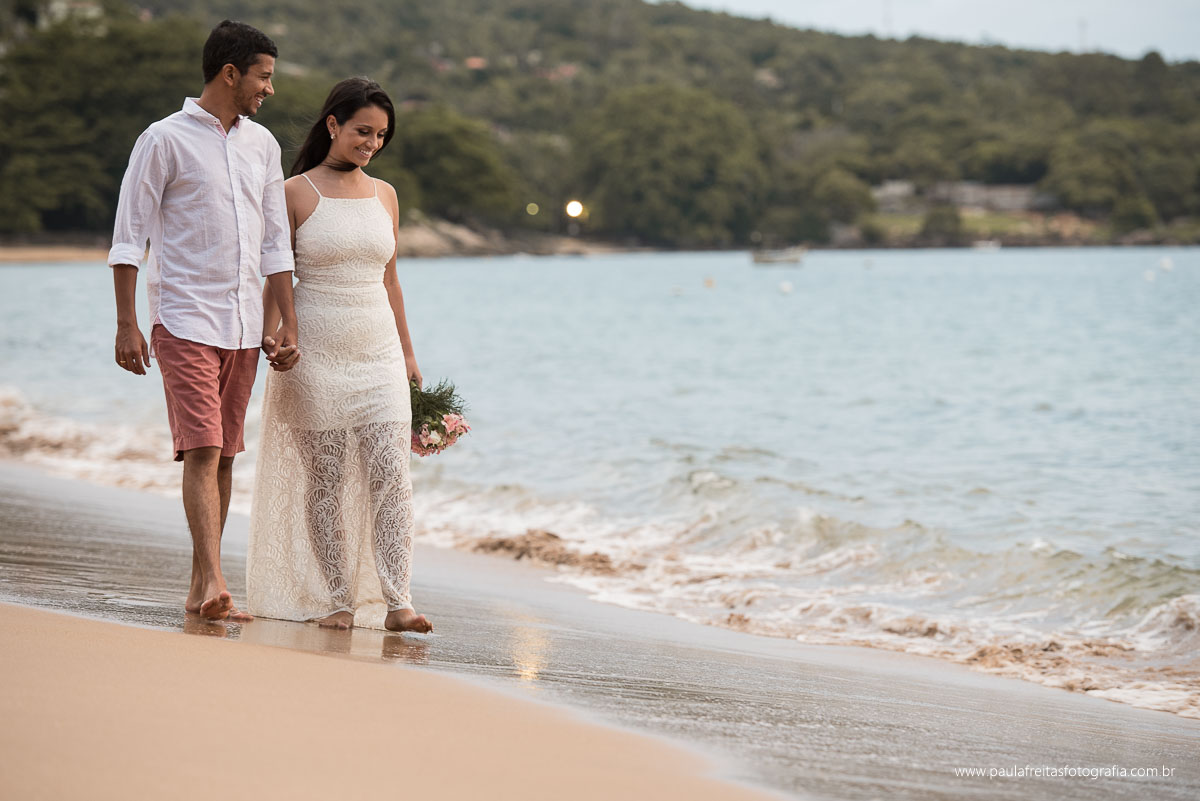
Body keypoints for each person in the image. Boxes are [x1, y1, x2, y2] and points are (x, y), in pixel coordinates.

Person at [109, 20, 299, 622]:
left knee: (225, 456)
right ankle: (216, 581)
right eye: (263, 76)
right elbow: (127, 239)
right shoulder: (162, 140)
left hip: (244, 324)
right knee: (202, 447)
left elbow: (275, 246)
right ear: (230, 73)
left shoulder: (262, 146)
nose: (269, 89)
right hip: (183, 317)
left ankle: (200, 590)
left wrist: (287, 323)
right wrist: (127, 324)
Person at [247, 78, 433, 633]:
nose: (371, 143)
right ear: (333, 124)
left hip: (377, 351)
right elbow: (277, 276)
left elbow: (391, 280)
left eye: (380, 135)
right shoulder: (293, 191)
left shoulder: (386, 195)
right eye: (362, 131)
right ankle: (337, 600)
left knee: (390, 477)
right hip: (315, 353)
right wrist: (269, 336)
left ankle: (398, 600)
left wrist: (408, 356)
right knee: (325, 480)